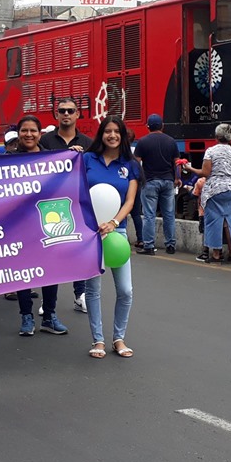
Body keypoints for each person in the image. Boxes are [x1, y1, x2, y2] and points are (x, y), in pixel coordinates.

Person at [81, 116, 138, 358]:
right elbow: (77, 191)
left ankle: (119, 338)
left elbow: (130, 201)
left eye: (116, 131)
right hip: (91, 233)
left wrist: (114, 222)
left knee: (125, 290)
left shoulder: (131, 164)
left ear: (122, 135)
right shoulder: (86, 159)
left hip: (117, 233)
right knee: (93, 289)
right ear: (101, 134)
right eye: (107, 131)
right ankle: (98, 340)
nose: (112, 135)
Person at [13, 114, 68, 336]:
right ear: (18, 133)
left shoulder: (52, 159)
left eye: (33, 130)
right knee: (22, 273)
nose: (28, 134)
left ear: (40, 133)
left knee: (51, 271)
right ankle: (26, 316)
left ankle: (49, 316)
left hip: (47, 224)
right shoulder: (7, 161)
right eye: (24, 130)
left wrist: (72, 156)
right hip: (19, 227)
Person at [39, 97, 94, 312]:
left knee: (78, 250)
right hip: (51, 203)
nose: (66, 114)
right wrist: (63, 156)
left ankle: (80, 294)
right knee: (50, 252)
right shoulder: (45, 140)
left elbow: (92, 171)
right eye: (62, 111)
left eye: (70, 111)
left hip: (78, 203)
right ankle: (48, 300)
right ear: (56, 114)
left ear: (78, 114)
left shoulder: (88, 143)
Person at [184, 123, 231, 264]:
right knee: (229, 222)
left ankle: (216, 254)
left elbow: (205, 173)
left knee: (214, 221)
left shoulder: (211, 151)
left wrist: (190, 169)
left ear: (216, 137)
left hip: (214, 191)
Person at [135, 114, 180, 255]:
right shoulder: (171, 141)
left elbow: (136, 162)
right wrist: (177, 178)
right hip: (168, 181)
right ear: (162, 126)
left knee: (149, 215)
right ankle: (170, 245)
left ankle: (149, 246)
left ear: (147, 127)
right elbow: (177, 163)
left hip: (150, 181)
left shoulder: (142, 142)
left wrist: (139, 178)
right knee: (169, 214)